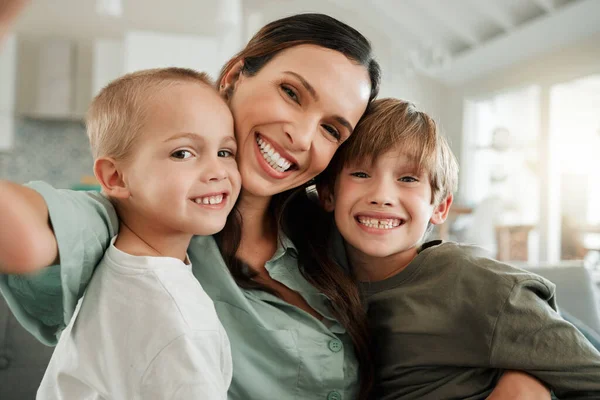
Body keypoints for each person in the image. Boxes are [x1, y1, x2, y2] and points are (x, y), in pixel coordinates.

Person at [0, 13, 550, 399]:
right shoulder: (146, 218)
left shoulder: (333, 234)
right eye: (292, 93)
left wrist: (521, 383)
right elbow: (21, 231)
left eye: (332, 128)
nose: (300, 136)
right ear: (238, 74)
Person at [313, 98, 600, 399]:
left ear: (440, 206)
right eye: (360, 174)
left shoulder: (481, 287)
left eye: (408, 178)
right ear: (328, 192)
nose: (382, 195)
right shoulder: (311, 264)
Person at [33, 68, 240, 399]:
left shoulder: (119, 263)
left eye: (225, 152)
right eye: (183, 153)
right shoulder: (180, 322)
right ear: (116, 177)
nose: (217, 171)